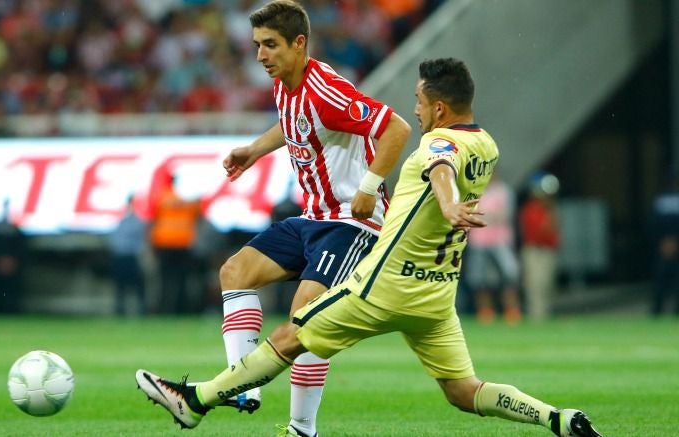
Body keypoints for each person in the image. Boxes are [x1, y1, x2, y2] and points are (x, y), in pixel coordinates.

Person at [135, 58, 603, 437]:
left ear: (439, 108)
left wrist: (448, 202)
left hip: (384, 286)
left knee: (290, 335)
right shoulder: (488, 146)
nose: (415, 110)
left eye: (419, 101)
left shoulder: (436, 144)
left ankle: (196, 402)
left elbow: (439, 167)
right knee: (464, 391)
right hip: (436, 298)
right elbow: (450, 169)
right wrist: (453, 205)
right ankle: (556, 419)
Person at [208, 2, 411, 435]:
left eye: (271, 45)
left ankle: (302, 428)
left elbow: (396, 128)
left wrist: (368, 185)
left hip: (352, 224)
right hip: (311, 218)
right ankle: (244, 385)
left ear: (299, 44)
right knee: (235, 271)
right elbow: (293, 124)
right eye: (258, 45)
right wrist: (254, 149)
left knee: (306, 324)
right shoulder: (285, 82)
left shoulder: (326, 89)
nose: (261, 55)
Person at [463, 172, 522, 325]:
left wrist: (483, 217)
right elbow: (468, 215)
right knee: (478, 279)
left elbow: (506, 215)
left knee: (509, 276)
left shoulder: (504, 191)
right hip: (479, 241)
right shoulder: (473, 191)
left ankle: (512, 312)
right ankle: (485, 313)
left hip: (501, 240)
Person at [150, 174, 202, 314]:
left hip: (165, 243)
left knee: (165, 280)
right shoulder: (190, 198)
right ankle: (180, 309)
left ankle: (164, 310)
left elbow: (153, 218)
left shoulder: (162, 197)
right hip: (183, 243)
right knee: (182, 280)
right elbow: (198, 213)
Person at [519, 172, 561, 321]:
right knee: (534, 285)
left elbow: (554, 232)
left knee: (547, 285)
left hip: (548, 251)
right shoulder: (530, 209)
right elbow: (539, 232)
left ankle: (545, 314)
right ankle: (536, 317)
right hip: (534, 250)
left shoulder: (550, 209)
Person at [0, 199, 28, 314]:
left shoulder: (16, 229)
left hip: (13, 267)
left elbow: (22, 246)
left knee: (12, 291)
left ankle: (12, 311)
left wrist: (12, 260)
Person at [108, 194, 148, 316]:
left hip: (130, 257)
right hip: (123, 257)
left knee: (135, 286)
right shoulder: (123, 221)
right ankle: (121, 310)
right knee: (121, 286)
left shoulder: (134, 222)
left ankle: (141, 310)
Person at [650, 178, 679, 316]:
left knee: (661, 279)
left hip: (664, 244)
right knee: (662, 280)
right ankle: (658, 309)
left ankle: (657, 309)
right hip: (664, 246)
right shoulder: (661, 201)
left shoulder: (661, 202)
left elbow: (653, 225)